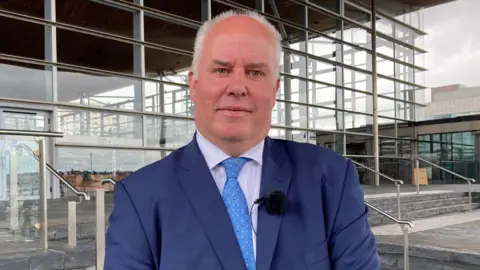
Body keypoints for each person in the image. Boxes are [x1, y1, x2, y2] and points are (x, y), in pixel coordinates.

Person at [104, 9, 381, 270]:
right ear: (194, 84)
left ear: (274, 90)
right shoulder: (140, 197)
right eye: (221, 70)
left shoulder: (331, 179)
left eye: (255, 72)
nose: (237, 87)